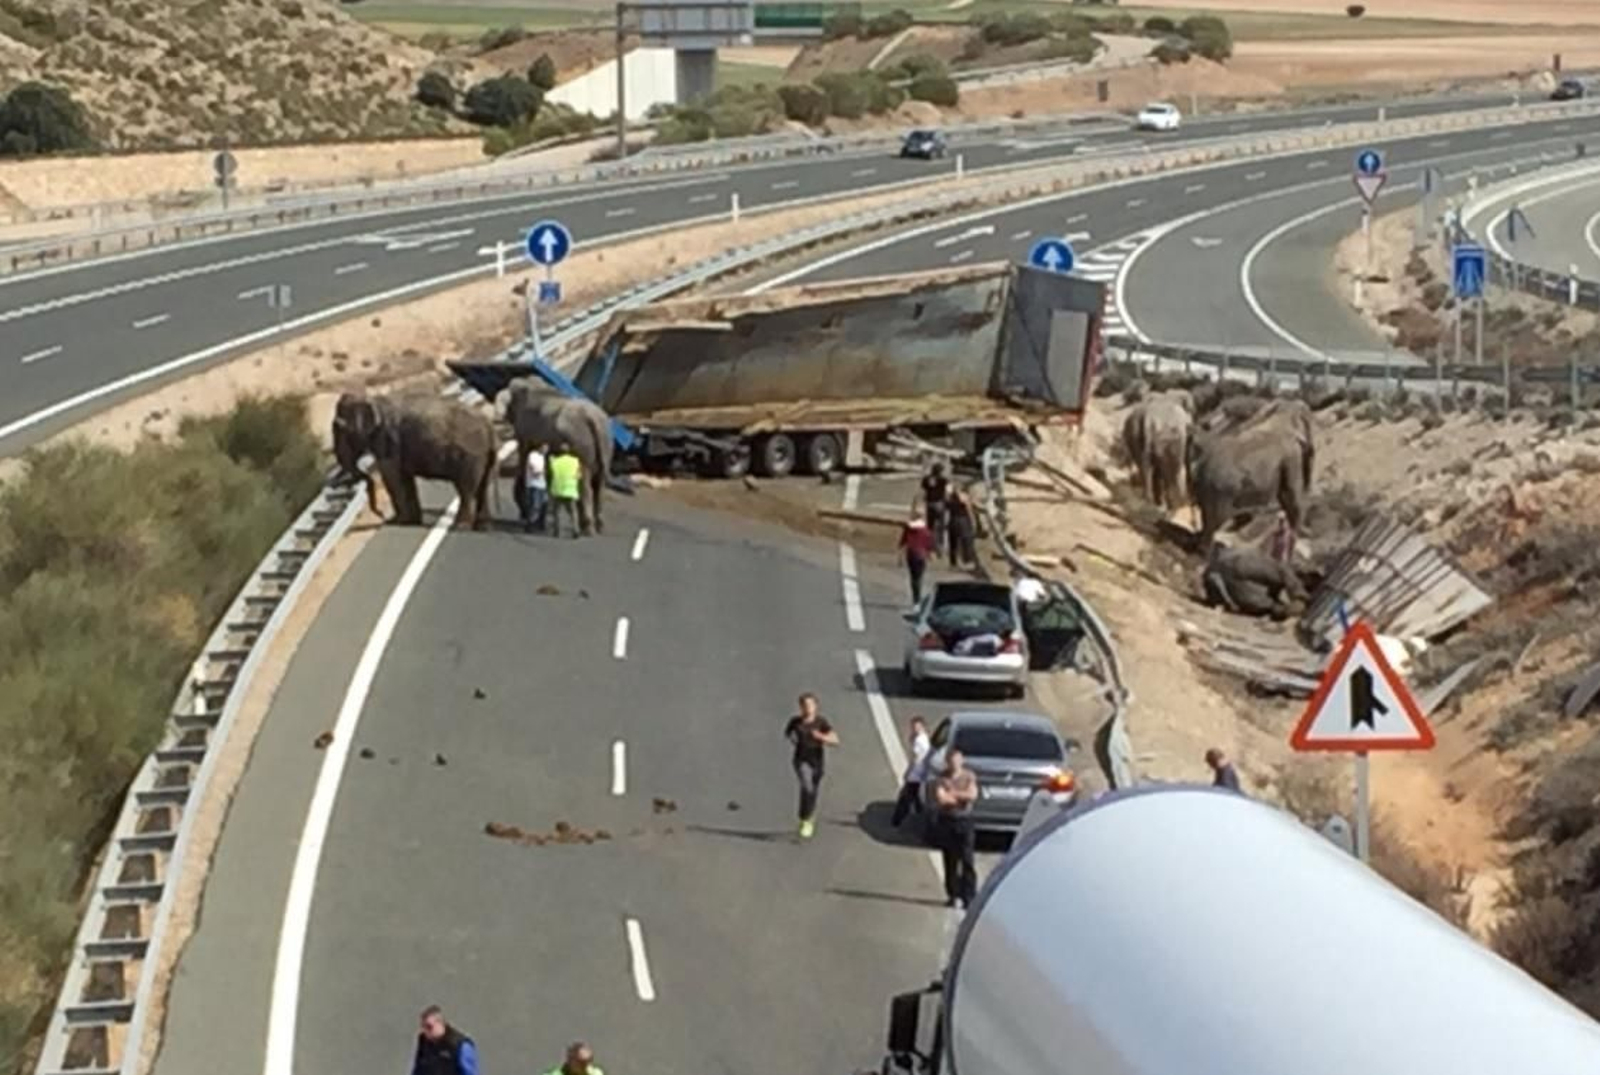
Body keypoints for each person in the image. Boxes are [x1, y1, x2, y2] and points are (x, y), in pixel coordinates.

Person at [784, 692, 839, 840]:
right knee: (807, 787)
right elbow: (789, 734)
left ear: (815, 706)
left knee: (812, 791)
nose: (807, 708)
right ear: (800, 707)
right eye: (804, 706)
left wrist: (821, 737)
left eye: (810, 705)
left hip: (817, 762)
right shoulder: (795, 722)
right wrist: (793, 739)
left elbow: (835, 739)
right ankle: (805, 818)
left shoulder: (821, 723)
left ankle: (808, 816)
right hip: (801, 760)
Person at [929, 749, 979, 908]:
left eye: (957, 760)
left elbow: (972, 795)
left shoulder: (969, 776)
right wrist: (959, 797)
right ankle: (952, 894)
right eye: (951, 761)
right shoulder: (942, 778)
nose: (954, 764)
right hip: (948, 821)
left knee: (967, 860)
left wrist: (954, 793)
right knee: (950, 860)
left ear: (962, 761)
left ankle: (969, 895)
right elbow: (942, 799)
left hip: (965, 821)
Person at [890, 716, 932, 828]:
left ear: (923, 726)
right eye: (913, 727)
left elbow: (916, 758)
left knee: (906, 796)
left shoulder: (919, 741)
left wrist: (909, 772)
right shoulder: (923, 738)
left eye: (917, 727)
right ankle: (919, 812)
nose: (914, 729)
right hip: (920, 772)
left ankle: (897, 819)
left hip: (916, 772)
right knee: (915, 794)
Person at [412, 1006, 478, 1075]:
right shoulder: (424, 1041)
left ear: (440, 1024)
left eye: (429, 1027)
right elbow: (418, 1069)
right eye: (423, 1027)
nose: (426, 1032)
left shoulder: (460, 1045)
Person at [899, 511, 935, 605]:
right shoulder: (926, 531)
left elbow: (903, 542)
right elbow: (929, 545)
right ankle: (918, 598)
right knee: (919, 578)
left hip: (911, 555)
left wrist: (900, 557)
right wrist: (930, 555)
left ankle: (916, 598)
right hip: (921, 556)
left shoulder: (908, 528)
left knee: (913, 578)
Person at [548, 442, 583, 539]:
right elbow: (579, 475)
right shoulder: (575, 461)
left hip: (558, 490)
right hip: (571, 490)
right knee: (573, 512)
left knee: (557, 512)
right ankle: (576, 529)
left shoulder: (555, 461)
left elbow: (551, 473)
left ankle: (557, 530)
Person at [921, 463, 950, 555]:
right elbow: (948, 491)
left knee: (930, 525)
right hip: (939, 503)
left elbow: (924, 489)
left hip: (930, 503)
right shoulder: (944, 480)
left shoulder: (926, 479)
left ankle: (928, 546)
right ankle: (939, 546)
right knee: (941, 526)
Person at [946, 485, 977, 570]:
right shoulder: (964, 497)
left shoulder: (949, 498)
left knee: (953, 543)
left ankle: (953, 563)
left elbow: (947, 508)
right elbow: (969, 510)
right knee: (966, 541)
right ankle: (968, 562)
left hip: (952, 520)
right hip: (963, 520)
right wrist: (973, 522)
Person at [523, 443, 549, 533]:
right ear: (539, 447)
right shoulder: (533, 455)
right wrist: (543, 471)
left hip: (542, 485)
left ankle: (540, 523)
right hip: (534, 485)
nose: (546, 450)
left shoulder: (543, 457)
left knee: (544, 504)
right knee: (535, 505)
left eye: (547, 448)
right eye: (544, 448)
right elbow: (535, 470)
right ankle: (530, 524)